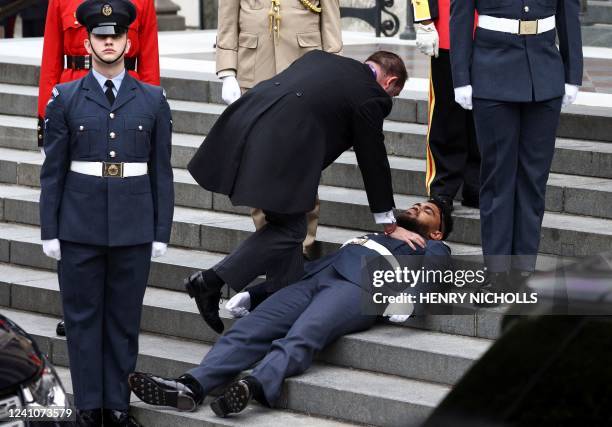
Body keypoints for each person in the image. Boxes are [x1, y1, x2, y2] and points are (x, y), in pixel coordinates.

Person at [128, 199, 453, 417]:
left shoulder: (434, 246)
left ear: (436, 229)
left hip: (360, 288)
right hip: (313, 281)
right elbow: (319, 263)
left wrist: (412, 298)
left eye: (427, 210)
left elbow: (436, 272)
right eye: (416, 203)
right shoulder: (374, 233)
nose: (417, 207)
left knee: (303, 334)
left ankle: (255, 385)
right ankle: (192, 386)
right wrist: (258, 294)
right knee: (248, 328)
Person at [185, 50, 419, 334]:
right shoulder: (372, 94)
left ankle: (277, 310)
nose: (388, 101)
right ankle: (210, 281)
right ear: (390, 81)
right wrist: (388, 221)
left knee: (286, 228)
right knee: (292, 231)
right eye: (393, 94)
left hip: (246, 122)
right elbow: (373, 158)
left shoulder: (319, 58)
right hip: (280, 148)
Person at [39, 1, 174, 425]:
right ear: (88, 41)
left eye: (116, 36)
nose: (109, 42)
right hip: (79, 225)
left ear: (128, 41)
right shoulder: (65, 97)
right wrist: (50, 230)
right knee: (82, 323)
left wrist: (160, 230)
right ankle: (88, 407)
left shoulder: (152, 99)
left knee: (123, 322)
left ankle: (116, 406)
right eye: (101, 36)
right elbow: (53, 171)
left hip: (133, 225)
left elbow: (161, 172)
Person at [450, 0, 583, 294]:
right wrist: (460, 76)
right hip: (492, 72)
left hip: (545, 73)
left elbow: (568, 14)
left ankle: (524, 269)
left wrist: (573, 74)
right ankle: (496, 272)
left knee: (533, 180)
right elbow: (460, 15)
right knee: (498, 180)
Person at [216, 0, 343, 259]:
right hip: (253, 71)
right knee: (256, 165)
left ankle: (303, 246)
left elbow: (330, 20)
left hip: (305, 68)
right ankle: (268, 245)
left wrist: (334, 70)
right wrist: (227, 70)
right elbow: (228, 18)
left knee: (302, 163)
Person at [37, 0, 160, 148]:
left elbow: (149, 59)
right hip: (75, 92)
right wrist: (46, 118)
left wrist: (151, 112)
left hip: (126, 91)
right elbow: (51, 59)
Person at [411, 0, 480, 208]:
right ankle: (443, 187)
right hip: (447, 25)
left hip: (494, 28)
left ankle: (478, 184)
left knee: (486, 115)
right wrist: (424, 20)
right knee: (446, 116)